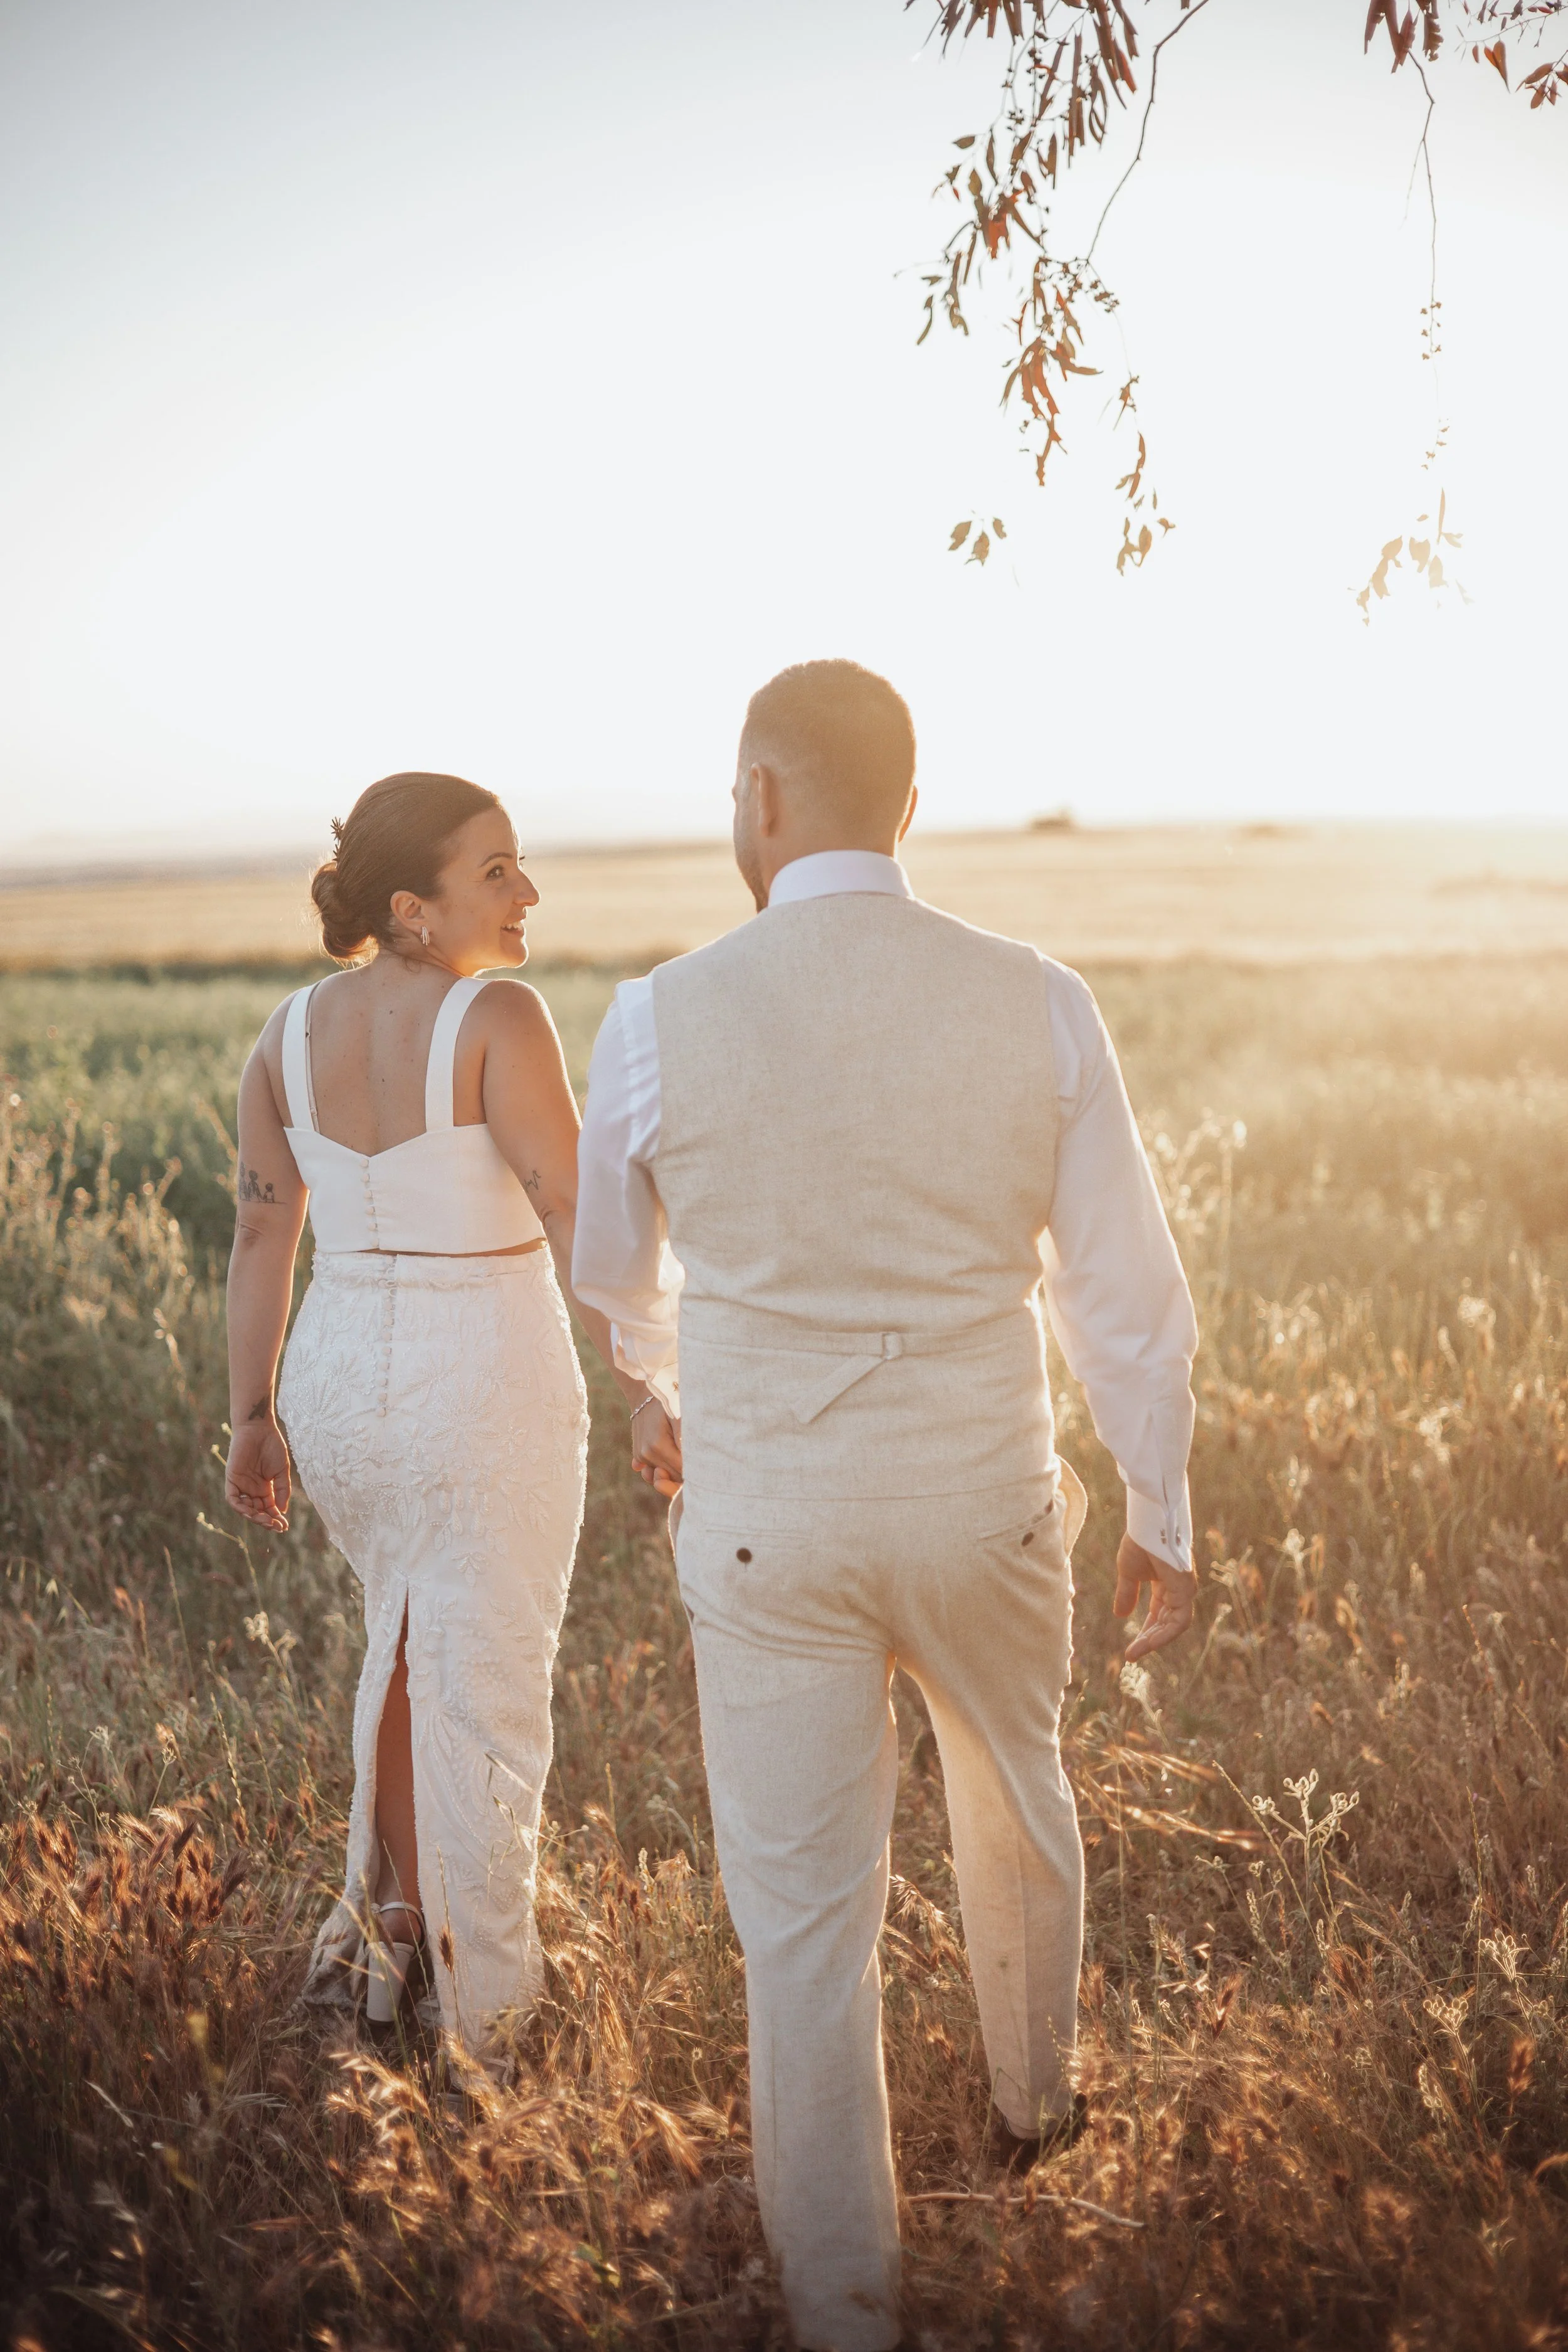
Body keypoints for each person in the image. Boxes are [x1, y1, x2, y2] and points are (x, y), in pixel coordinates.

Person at [573, 662, 1199, 2351]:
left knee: (800, 1912)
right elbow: (1120, 1287)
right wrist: (1161, 1493)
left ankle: (844, 2302)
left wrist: (666, 1384)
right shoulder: (1038, 995)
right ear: (905, 805)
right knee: (1016, 1788)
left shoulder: (655, 1011)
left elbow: (610, 1268)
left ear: (761, 797)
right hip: (983, 1496)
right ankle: (1032, 2101)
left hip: (770, 1510)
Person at [223, 771, 679, 2056]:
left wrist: (250, 1417)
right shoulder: (500, 1017)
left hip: (337, 1383)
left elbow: (261, 1236)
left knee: (412, 1644)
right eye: (498, 871)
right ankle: (486, 2008)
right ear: (414, 911)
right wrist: (647, 1378)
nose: (527, 891)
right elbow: (569, 1212)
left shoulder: (283, 1035)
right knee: (486, 1670)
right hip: (478, 1372)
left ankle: (398, 1937)